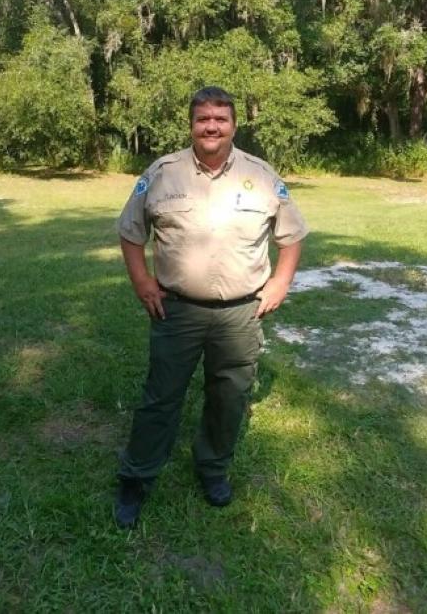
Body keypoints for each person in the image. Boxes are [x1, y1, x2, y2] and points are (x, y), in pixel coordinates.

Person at [113, 86, 308, 529]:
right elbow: (131, 231)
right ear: (191, 124)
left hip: (241, 313)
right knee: (160, 398)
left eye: (220, 119)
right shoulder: (162, 173)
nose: (211, 126)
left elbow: (291, 235)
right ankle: (136, 478)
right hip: (176, 310)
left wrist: (280, 282)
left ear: (234, 125)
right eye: (203, 119)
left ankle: (213, 470)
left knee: (229, 397)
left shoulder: (261, 175)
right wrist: (143, 281)